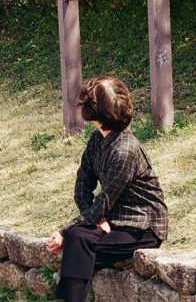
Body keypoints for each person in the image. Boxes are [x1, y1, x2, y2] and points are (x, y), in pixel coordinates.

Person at [47, 76, 168, 302]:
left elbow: (103, 202)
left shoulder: (125, 151)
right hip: (113, 217)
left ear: (95, 112)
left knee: (76, 242)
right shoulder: (97, 138)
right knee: (79, 239)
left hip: (141, 226)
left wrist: (64, 231)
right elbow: (82, 185)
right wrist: (94, 219)